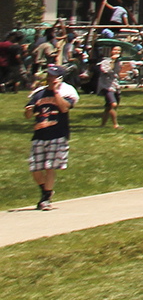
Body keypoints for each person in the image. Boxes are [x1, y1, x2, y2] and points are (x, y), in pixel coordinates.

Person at [25, 65, 77, 209]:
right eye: (48, 76)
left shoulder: (67, 92)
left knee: (50, 167)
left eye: (52, 76)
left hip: (58, 134)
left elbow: (65, 108)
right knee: (35, 168)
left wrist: (55, 91)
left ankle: (45, 198)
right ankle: (45, 191)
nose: (49, 78)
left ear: (59, 79)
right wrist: (29, 111)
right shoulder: (39, 94)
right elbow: (28, 114)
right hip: (39, 135)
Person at [95, 44, 123, 127]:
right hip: (107, 86)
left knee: (109, 107)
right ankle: (115, 124)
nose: (116, 52)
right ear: (111, 51)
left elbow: (117, 73)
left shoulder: (119, 62)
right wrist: (112, 61)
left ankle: (103, 124)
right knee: (113, 104)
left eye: (118, 50)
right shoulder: (105, 61)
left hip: (115, 85)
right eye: (115, 50)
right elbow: (106, 71)